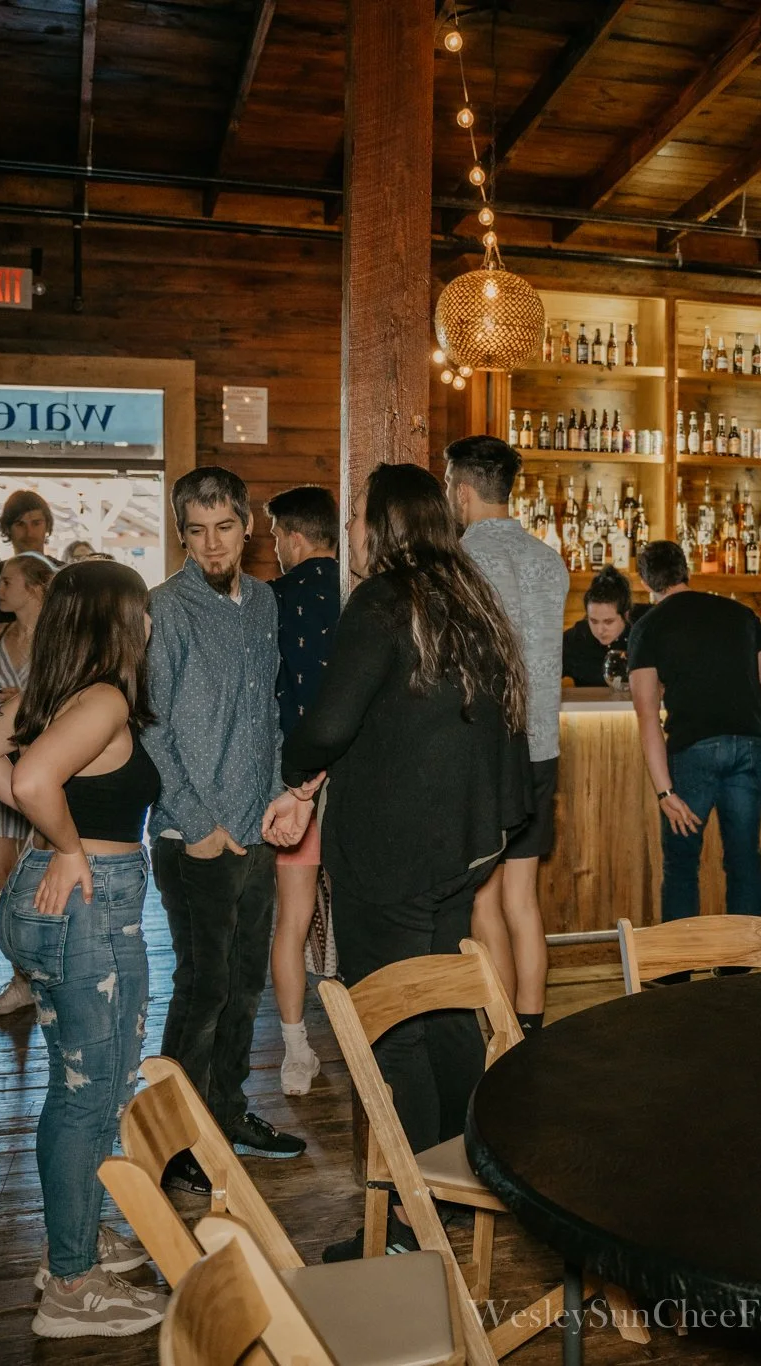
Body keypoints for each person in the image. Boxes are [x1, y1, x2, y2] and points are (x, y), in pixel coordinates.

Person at [265, 462, 530, 1262]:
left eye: (355, 518)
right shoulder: (467, 597)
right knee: (446, 1006)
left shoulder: (383, 600)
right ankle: (458, 1180)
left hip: (394, 849)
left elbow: (332, 719)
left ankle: (416, 1223)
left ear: (381, 525)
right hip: (463, 844)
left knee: (392, 1026)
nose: (348, 531)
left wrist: (297, 767)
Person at [0, 560, 163, 1338]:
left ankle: (74, 1241)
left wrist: (54, 839)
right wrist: (70, 844)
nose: (148, 625)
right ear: (117, 619)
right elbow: (38, 777)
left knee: (76, 1085)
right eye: (140, 612)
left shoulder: (50, 696)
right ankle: (72, 1288)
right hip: (88, 904)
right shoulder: (104, 697)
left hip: (46, 902)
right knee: (91, 1094)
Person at [143, 467, 300, 1192]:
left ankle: (228, 1114)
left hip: (256, 829)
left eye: (225, 528)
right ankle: (173, 1144)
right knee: (201, 989)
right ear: (181, 534)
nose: (211, 544)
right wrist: (196, 823)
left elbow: (268, 715)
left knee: (244, 988)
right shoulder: (162, 609)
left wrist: (272, 805)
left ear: (247, 528)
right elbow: (149, 727)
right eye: (197, 531)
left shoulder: (265, 602)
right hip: (193, 836)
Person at [446, 436, 568, 1035]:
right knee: (524, 898)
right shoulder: (549, 560)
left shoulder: (456, 561)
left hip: (487, 751)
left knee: (482, 897)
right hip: (542, 746)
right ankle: (532, 1028)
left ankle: (496, 1030)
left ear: (462, 491)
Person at [627, 541, 761, 928]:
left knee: (682, 863)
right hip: (748, 748)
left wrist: (664, 791)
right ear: (687, 571)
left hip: (692, 751)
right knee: (744, 859)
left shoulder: (648, 626)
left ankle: (677, 974)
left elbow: (647, 713)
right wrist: (759, 743)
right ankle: (739, 969)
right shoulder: (740, 613)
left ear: (647, 581)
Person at [264, 485, 344, 1095]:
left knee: (292, 919)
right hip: (358, 778)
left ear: (292, 537)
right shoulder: (360, 593)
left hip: (294, 783)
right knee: (363, 916)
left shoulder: (271, 601)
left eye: (274, 537)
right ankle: (368, 1037)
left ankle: (296, 1050)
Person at [0, 553, 57, 1017]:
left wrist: (21, 701)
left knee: (40, 874)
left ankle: (48, 976)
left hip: (43, 767)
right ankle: (20, 978)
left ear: (36, 586)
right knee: (4, 880)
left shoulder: (60, 638)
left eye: (6, 581)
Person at [0, 489, 54, 660]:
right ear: (7, 529)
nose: (29, 532)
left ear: (47, 526)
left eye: (36, 523)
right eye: (20, 524)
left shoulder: (64, 575)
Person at [562, 567, 633, 687]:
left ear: (625, 615)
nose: (600, 630)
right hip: (586, 705)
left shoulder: (640, 640)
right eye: (593, 621)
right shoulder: (574, 639)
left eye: (608, 622)